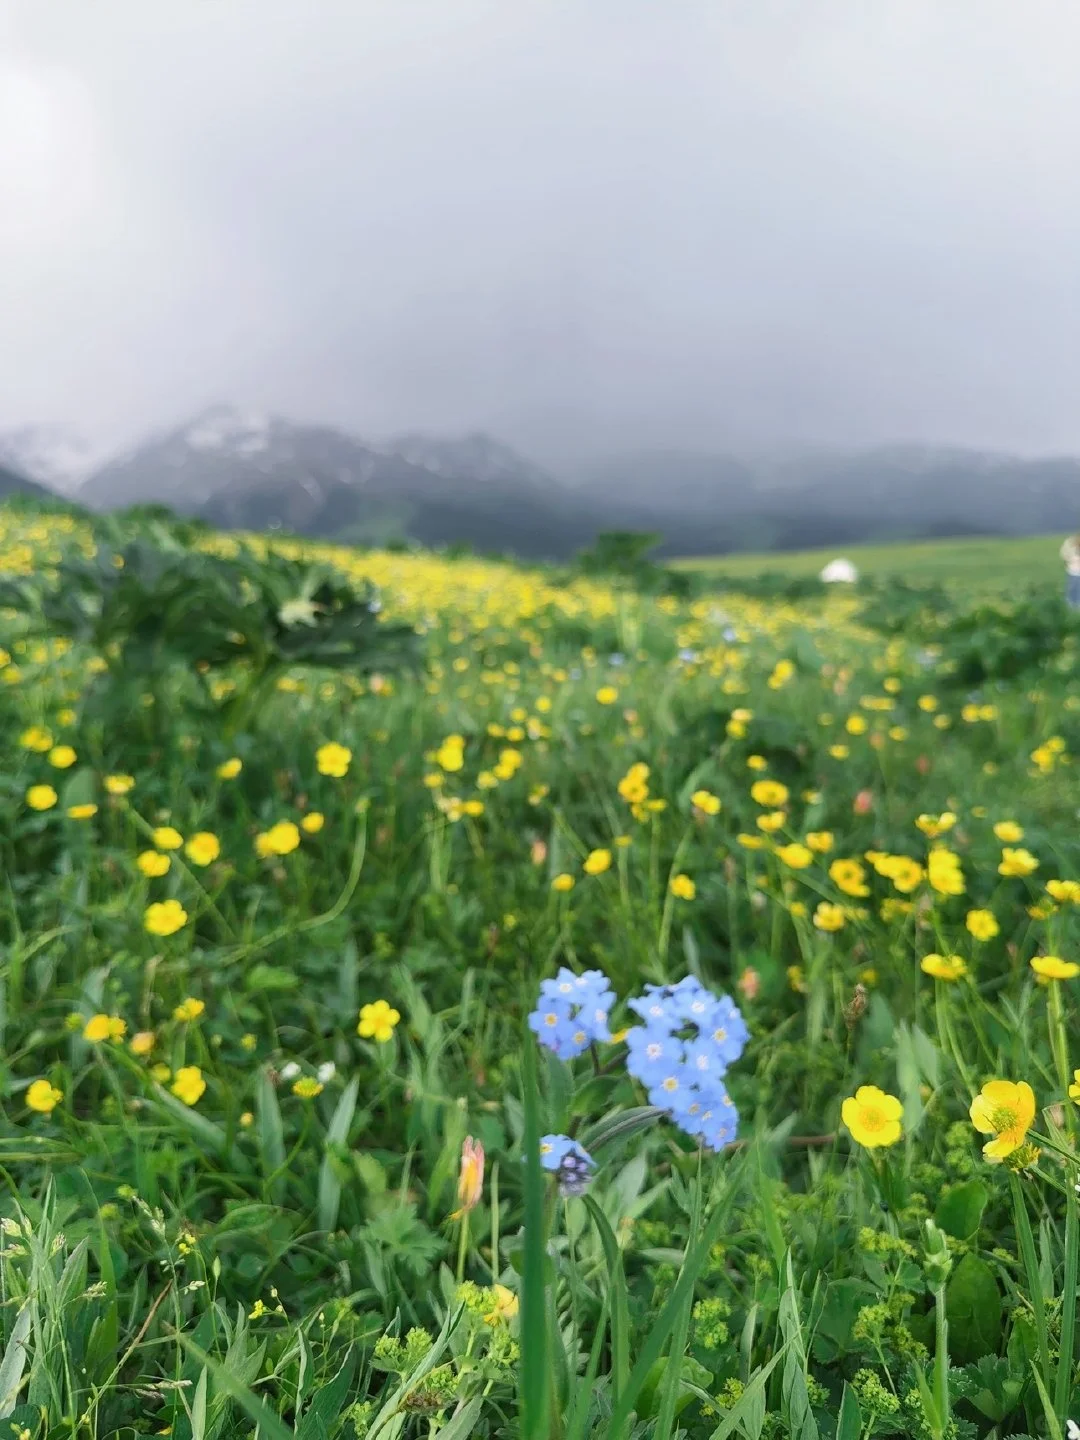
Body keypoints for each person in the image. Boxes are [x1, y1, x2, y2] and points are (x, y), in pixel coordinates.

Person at [1062, 533, 1080, 609]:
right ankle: (1071, 609)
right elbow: (1064, 554)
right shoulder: (1070, 543)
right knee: (1071, 592)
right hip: (1072, 572)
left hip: (1076, 573)